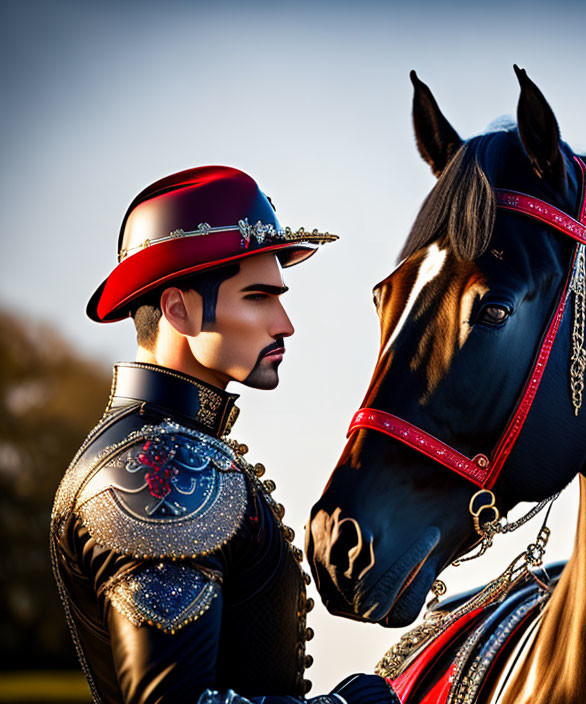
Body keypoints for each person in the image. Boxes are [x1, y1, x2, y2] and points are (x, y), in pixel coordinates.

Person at [50, 166, 398, 704]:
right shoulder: (158, 465)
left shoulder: (161, 447)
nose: (285, 323)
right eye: (258, 296)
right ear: (178, 309)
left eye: (279, 296)